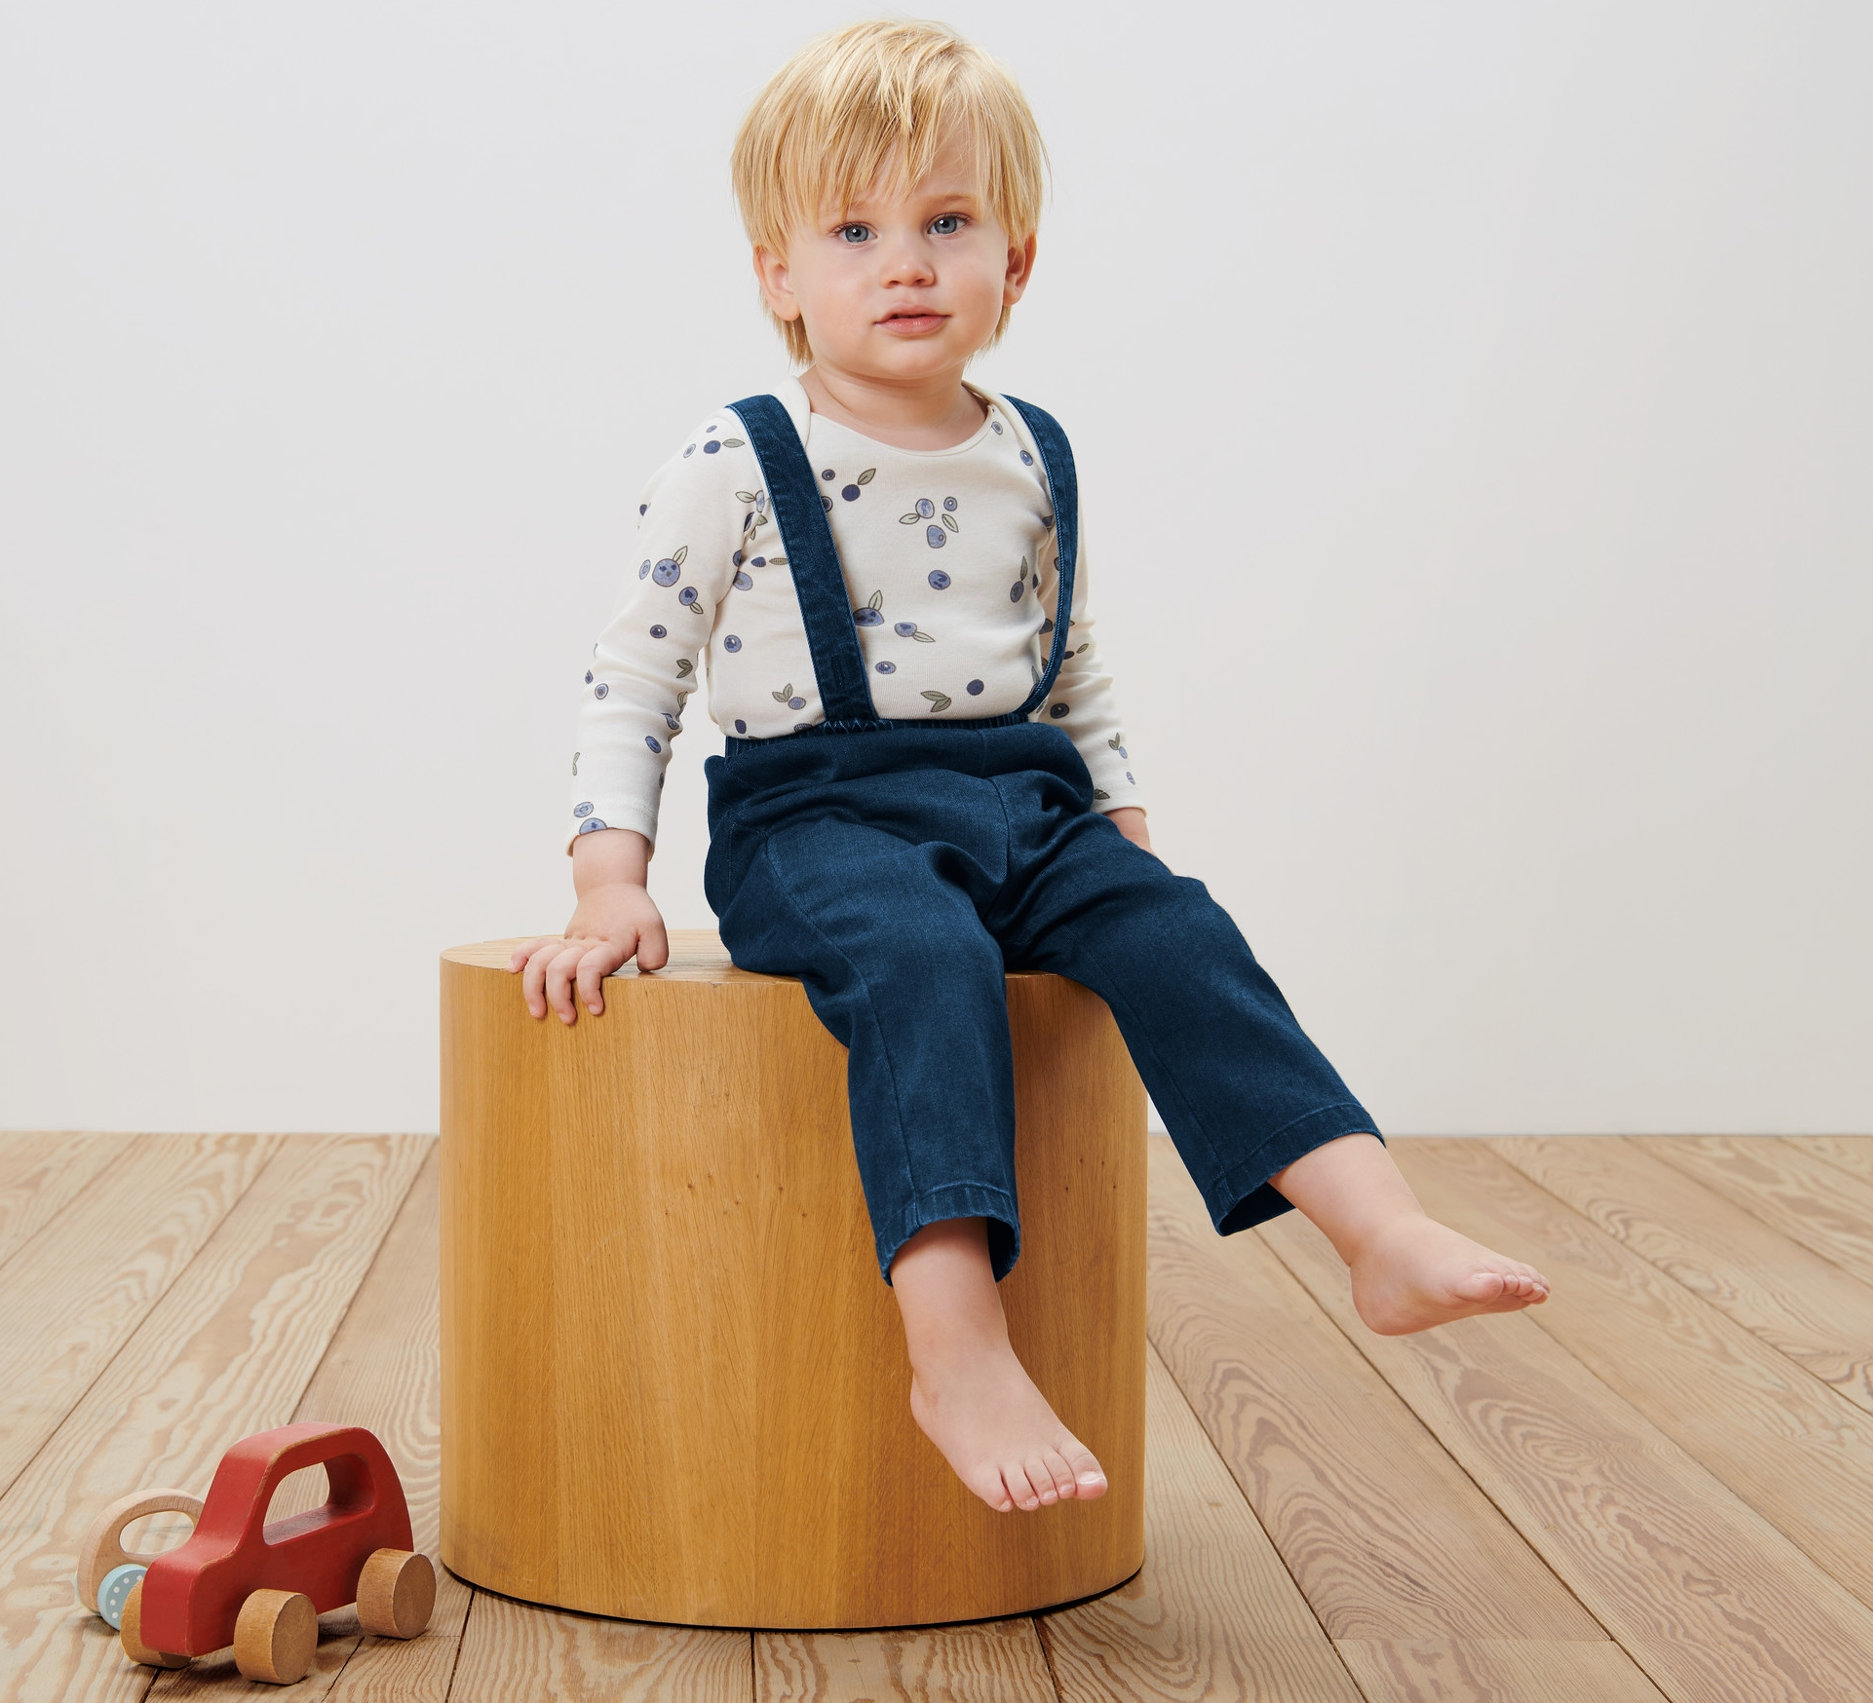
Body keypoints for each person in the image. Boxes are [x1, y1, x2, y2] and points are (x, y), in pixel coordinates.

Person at [512, 19, 1548, 1518]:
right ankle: (958, 1342)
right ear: (777, 277)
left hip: (1025, 799)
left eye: (947, 223)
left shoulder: (1033, 451)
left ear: (1020, 260)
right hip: (820, 819)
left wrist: (1119, 833)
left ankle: (1376, 1230)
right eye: (854, 231)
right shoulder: (737, 457)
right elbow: (637, 673)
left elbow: (1071, 667)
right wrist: (611, 877)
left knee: (1178, 924)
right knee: (920, 956)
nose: (906, 264)